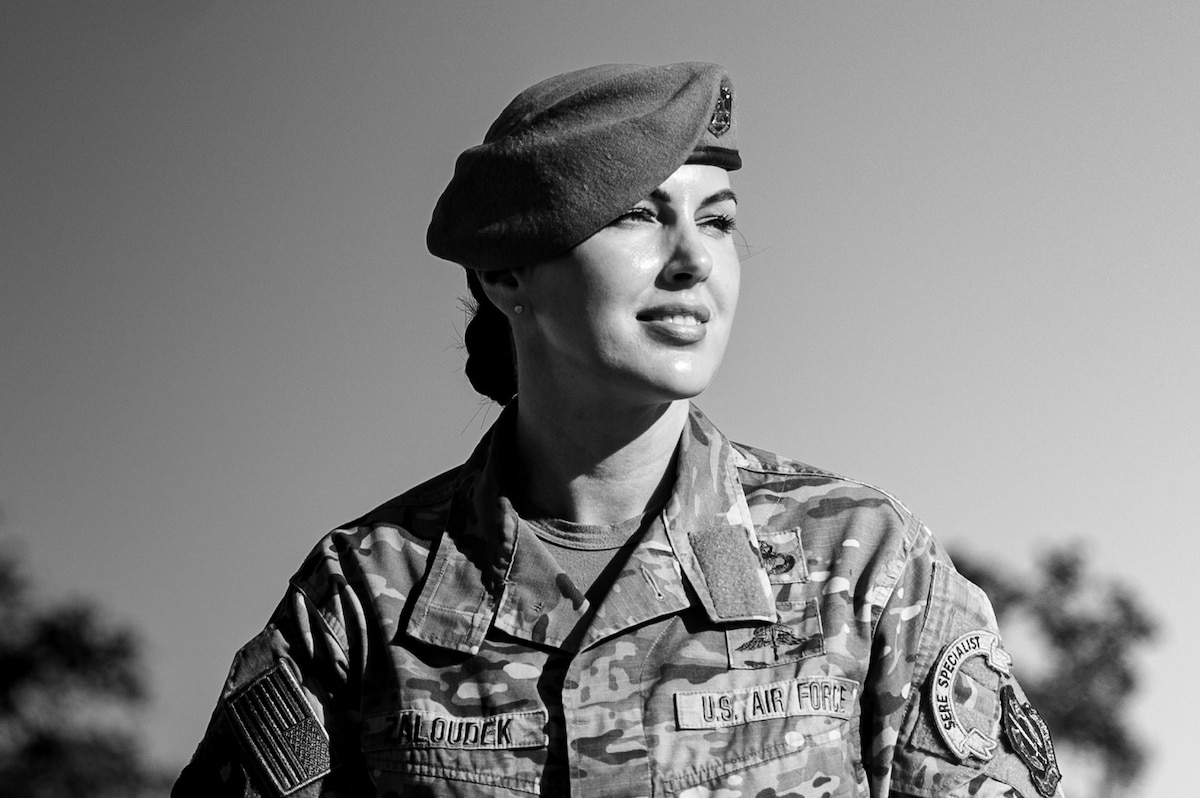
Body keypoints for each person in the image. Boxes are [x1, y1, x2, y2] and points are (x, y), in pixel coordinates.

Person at [173, 63, 1064, 798]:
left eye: (716, 220)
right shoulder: (366, 598)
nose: (693, 261)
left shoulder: (863, 565)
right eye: (639, 215)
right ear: (508, 276)